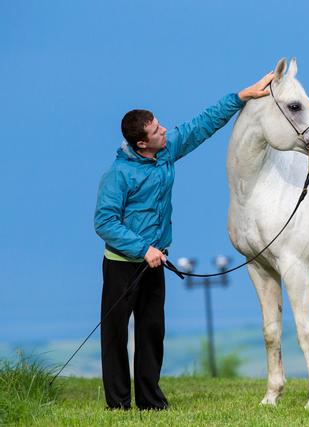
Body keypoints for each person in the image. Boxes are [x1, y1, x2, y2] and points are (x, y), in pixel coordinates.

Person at [94, 72, 274, 410]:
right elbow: (104, 221)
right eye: (157, 131)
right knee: (115, 335)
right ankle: (117, 405)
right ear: (141, 144)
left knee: (152, 332)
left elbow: (200, 125)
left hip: (155, 263)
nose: (165, 131)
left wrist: (241, 96)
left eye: (160, 126)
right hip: (122, 266)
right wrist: (142, 249)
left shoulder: (165, 151)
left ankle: (150, 401)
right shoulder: (118, 175)